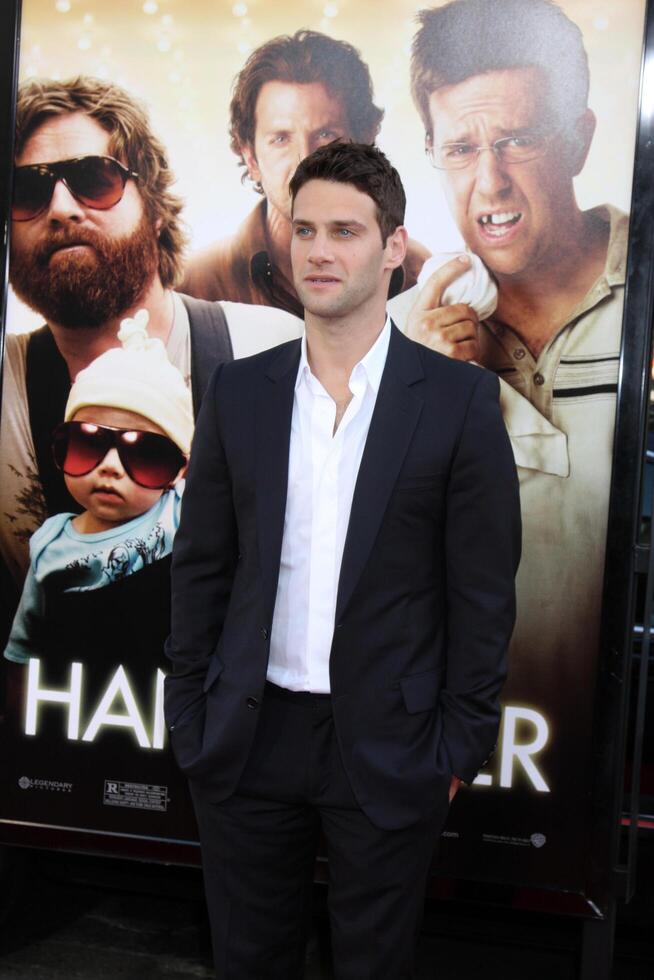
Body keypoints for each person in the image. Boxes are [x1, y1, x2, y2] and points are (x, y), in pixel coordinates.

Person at [165, 141, 521, 979]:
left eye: (348, 231)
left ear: (394, 248)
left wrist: (454, 751)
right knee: (248, 958)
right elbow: (201, 568)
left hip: (391, 745)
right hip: (249, 735)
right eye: (307, 229)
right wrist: (192, 716)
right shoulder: (239, 392)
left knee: (372, 963)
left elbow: (483, 595)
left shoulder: (459, 403)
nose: (321, 251)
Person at [397, 0, 626, 741]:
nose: (489, 182)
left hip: (617, 763)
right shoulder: (397, 337)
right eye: (461, 147)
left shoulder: (642, 304)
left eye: (518, 139)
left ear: (580, 139)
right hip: (455, 764)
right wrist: (413, 399)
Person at [1, 75, 303, 598]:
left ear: (156, 206)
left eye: (94, 180)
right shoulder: (6, 383)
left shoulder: (274, 352)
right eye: (27, 191)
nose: (61, 208)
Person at [181, 30, 430, 315]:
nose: (305, 161)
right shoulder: (195, 288)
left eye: (326, 134)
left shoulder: (416, 274)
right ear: (250, 158)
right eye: (281, 139)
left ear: (366, 140)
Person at [4, 312, 192, 668]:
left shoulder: (182, 513)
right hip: (82, 699)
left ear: (179, 470)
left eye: (145, 453)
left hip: (163, 698)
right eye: (87, 444)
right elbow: (24, 645)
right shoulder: (51, 544)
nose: (111, 466)